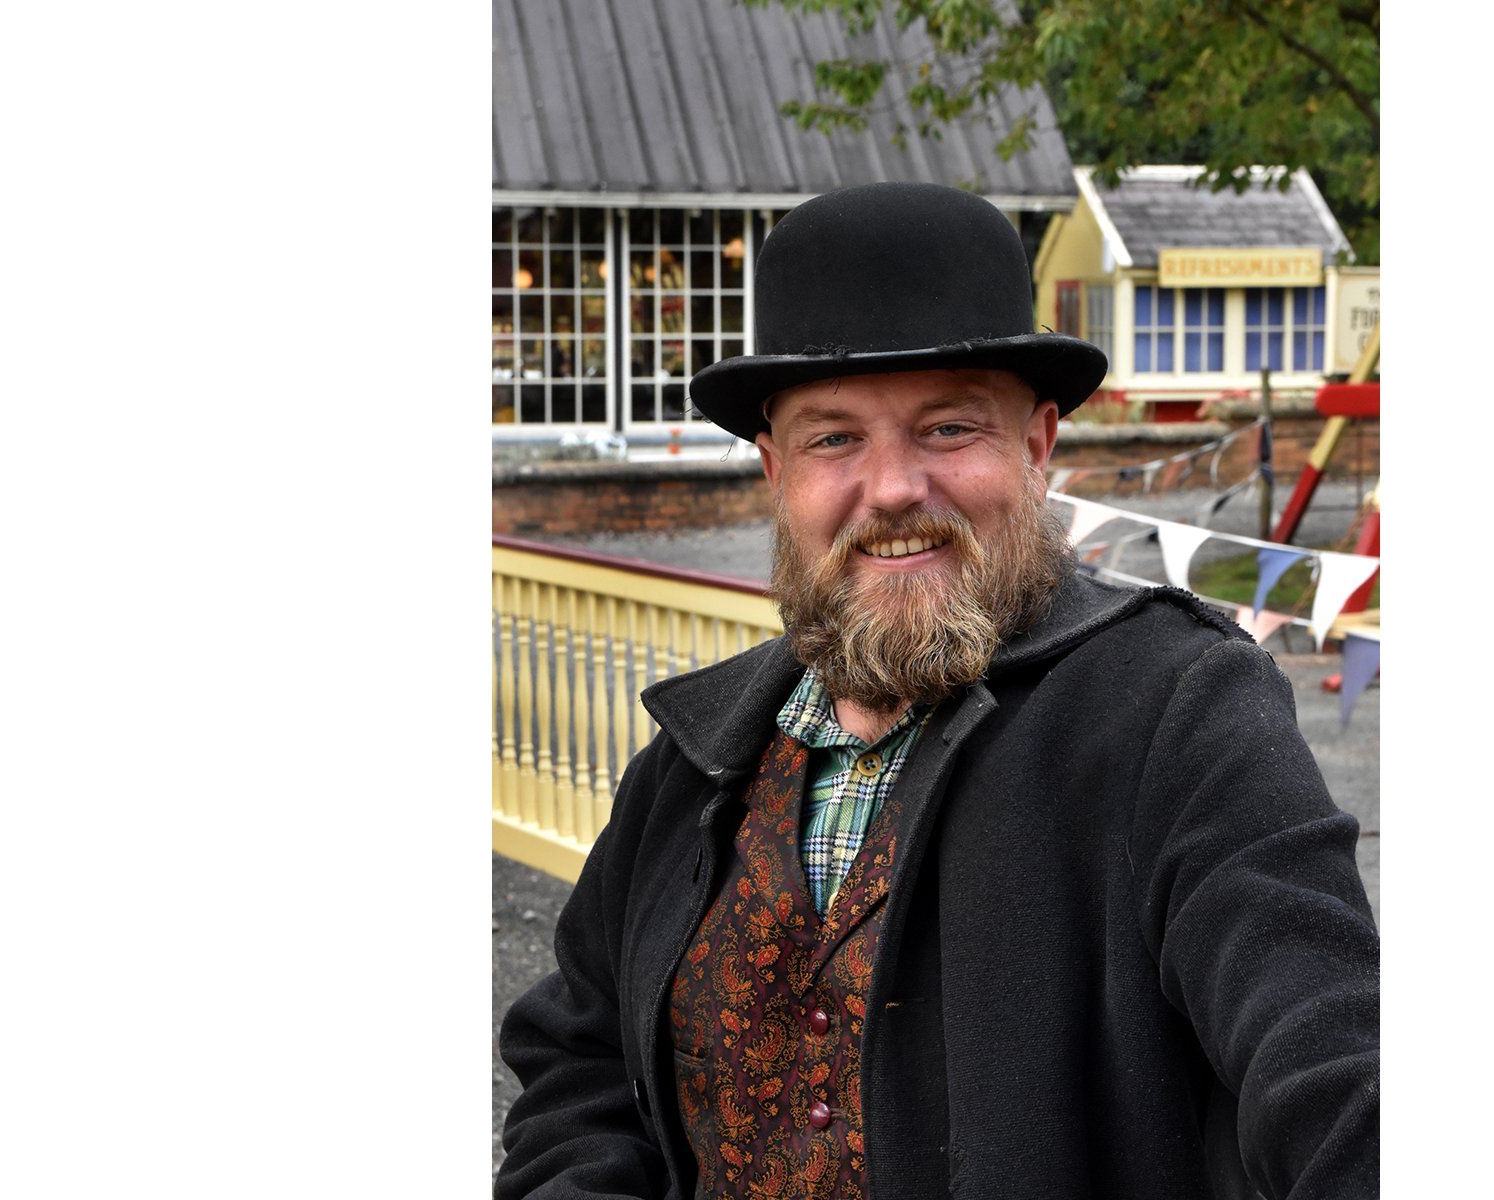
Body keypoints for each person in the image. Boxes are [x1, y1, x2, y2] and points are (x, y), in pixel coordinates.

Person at [497, 182, 1379, 1200]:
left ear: (1037, 447)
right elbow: (579, 1071)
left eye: (950, 427)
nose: (894, 489)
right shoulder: (690, 763)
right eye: (835, 438)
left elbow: (1335, 1060)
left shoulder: (1181, 712)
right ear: (776, 472)